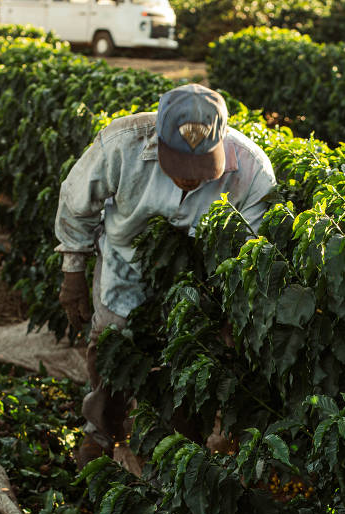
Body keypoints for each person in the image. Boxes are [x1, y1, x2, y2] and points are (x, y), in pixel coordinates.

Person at [55, 83, 276, 468]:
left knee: (194, 359)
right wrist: (72, 271)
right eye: (178, 165)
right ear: (158, 138)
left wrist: (233, 310)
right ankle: (102, 432)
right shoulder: (122, 144)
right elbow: (77, 205)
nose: (189, 180)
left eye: (200, 167)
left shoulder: (251, 169)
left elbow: (251, 251)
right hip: (127, 263)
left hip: (201, 281)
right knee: (111, 346)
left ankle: (180, 448)